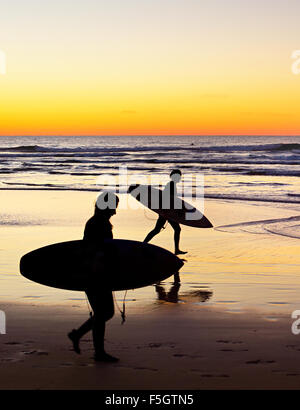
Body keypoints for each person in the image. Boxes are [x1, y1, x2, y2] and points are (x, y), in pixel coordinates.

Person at [68, 191, 119, 362]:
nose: (115, 211)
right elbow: (97, 250)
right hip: (95, 274)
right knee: (104, 312)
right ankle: (98, 352)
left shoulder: (98, 222)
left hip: (94, 272)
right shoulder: (99, 224)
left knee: (103, 312)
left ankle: (79, 336)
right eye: (114, 207)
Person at [144, 169, 187, 255]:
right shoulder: (171, 185)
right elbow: (167, 199)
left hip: (166, 211)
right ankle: (176, 250)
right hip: (167, 212)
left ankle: (143, 244)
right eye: (178, 176)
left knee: (157, 230)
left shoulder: (171, 185)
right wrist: (166, 212)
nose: (179, 178)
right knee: (177, 229)